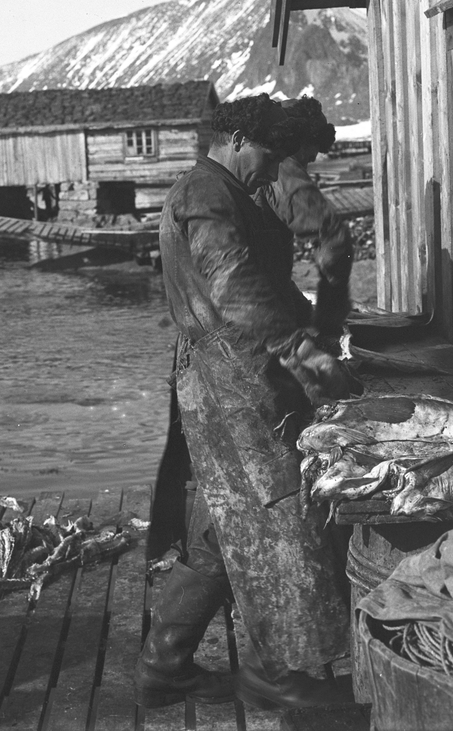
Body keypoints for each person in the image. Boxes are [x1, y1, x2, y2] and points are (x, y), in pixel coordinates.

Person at [134, 94, 355, 711]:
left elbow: (255, 279)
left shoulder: (222, 189)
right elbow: (231, 279)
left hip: (223, 377)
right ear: (234, 138)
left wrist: (306, 327)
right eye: (265, 156)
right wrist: (301, 347)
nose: (270, 173)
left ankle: (163, 667)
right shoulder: (205, 193)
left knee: (217, 527)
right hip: (234, 382)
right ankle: (275, 673)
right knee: (281, 513)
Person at [260, 97, 355, 344]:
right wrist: (330, 318)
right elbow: (334, 235)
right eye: (311, 152)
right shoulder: (284, 170)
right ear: (300, 142)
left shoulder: (257, 162)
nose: (311, 160)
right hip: (254, 308)